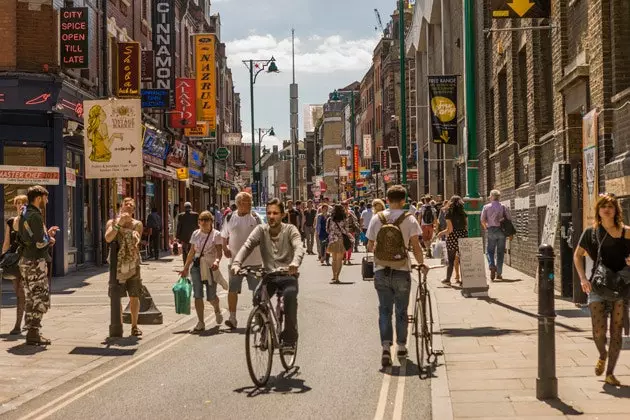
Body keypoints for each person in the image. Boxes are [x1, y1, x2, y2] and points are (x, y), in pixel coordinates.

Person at [367, 185, 427, 367]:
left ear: (387, 200)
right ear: (403, 201)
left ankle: (386, 348)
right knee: (401, 311)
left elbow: (370, 246)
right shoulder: (409, 219)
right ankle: (401, 346)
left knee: (384, 310)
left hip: (381, 270)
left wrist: (380, 248)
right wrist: (421, 263)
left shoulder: (377, 218)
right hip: (402, 270)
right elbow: (416, 245)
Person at [232, 198, 305, 348]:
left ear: (283, 215)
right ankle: (265, 330)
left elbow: (298, 247)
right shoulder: (261, 230)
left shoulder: (290, 230)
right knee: (258, 297)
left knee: (290, 297)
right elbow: (248, 245)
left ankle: (290, 339)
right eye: (269, 213)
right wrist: (237, 263)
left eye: (275, 213)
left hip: (288, 276)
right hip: (269, 276)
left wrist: (294, 263)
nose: (271, 216)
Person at [573, 193, 630, 386]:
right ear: (598, 210)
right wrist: (582, 278)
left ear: (616, 210)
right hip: (597, 285)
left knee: (616, 332)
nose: (607, 209)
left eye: (611, 206)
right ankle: (602, 354)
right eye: (603, 206)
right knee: (598, 331)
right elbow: (577, 255)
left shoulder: (626, 232)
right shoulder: (591, 232)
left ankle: (610, 373)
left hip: (620, 287)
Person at [17, 186, 58, 345]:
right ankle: (34, 332)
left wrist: (46, 234)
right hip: (35, 262)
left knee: (30, 295)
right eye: (45, 198)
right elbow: (40, 242)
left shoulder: (24, 213)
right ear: (39, 197)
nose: (47, 201)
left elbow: (30, 236)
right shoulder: (35, 215)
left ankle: (32, 332)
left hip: (26, 260)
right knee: (38, 296)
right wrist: (50, 240)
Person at [221, 192, 262, 329]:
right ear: (239, 204)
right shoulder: (229, 217)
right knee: (232, 290)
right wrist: (224, 248)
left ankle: (258, 316)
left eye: (250, 202)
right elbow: (224, 235)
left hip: (254, 260)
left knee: (257, 290)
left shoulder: (255, 218)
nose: (250, 205)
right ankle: (232, 318)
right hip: (235, 262)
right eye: (247, 203)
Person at [104, 197, 144, 337]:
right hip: (116, 264)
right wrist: (119, 223)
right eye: (126, 205)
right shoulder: (112, 222)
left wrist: (134, 236)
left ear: (133, 210)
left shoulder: (137, 223)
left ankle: (134, 326)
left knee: (134, 295)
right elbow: (108, 238)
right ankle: (118, 324)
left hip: (132, 263)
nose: (128, 207)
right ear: (121, 207)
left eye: (131, 206)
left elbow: (136, 238)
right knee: (116, 296)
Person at [180, 211, 225, 333]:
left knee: (211, 296)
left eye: (206, 220)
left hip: (211, 266)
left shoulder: (216, 235)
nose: (204, 223)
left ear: (211, 221)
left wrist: (216, 262)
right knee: (197, 294)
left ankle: (217, 309)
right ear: (198, 222)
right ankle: (201, 322)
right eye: (201, 220)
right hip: (196, 266)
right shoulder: (196, 234)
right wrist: (185, 268)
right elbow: (191, 252)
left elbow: (219, 253)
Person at [2, 194, 27, 335]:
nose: (19, 205)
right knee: (18, 291)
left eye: (22, 203)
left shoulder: (29, 220)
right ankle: (23, 321)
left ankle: (19, 325)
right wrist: (3, 257)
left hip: (26, 259)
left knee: (22, 291)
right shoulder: (10, 222)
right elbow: (6, 242)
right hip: (13, 260)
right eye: (17, 203)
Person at [481, 190, 511, 281]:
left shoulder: (486, 207)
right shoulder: (503, 206)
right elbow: (509, 220)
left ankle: (491, 265)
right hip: (502, 231)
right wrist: (510, 233)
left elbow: (482, 220)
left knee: (489, 251)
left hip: (491, 229)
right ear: (499, 197)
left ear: (491, 197)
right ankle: (499, 274)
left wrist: (486, 228)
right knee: (500, 252)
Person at [438, 196, 468, 286]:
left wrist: (441, 233)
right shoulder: (463, 212)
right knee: (463, 260)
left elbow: (450, 229)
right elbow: (466, 225)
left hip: (453, 237)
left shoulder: (449, 213)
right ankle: (464, 281)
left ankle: (448, 279)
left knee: (451, 260)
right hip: (463, 235)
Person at [326, 204, 354, 283]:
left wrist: (333, 233)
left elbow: (327, 230)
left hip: (332, 240)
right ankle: (337, 277)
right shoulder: (344, 219)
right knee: (339, 260)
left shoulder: (330, 219)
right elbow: (346, 230)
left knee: (334, 260)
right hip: (341, 240)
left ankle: (334, 276)